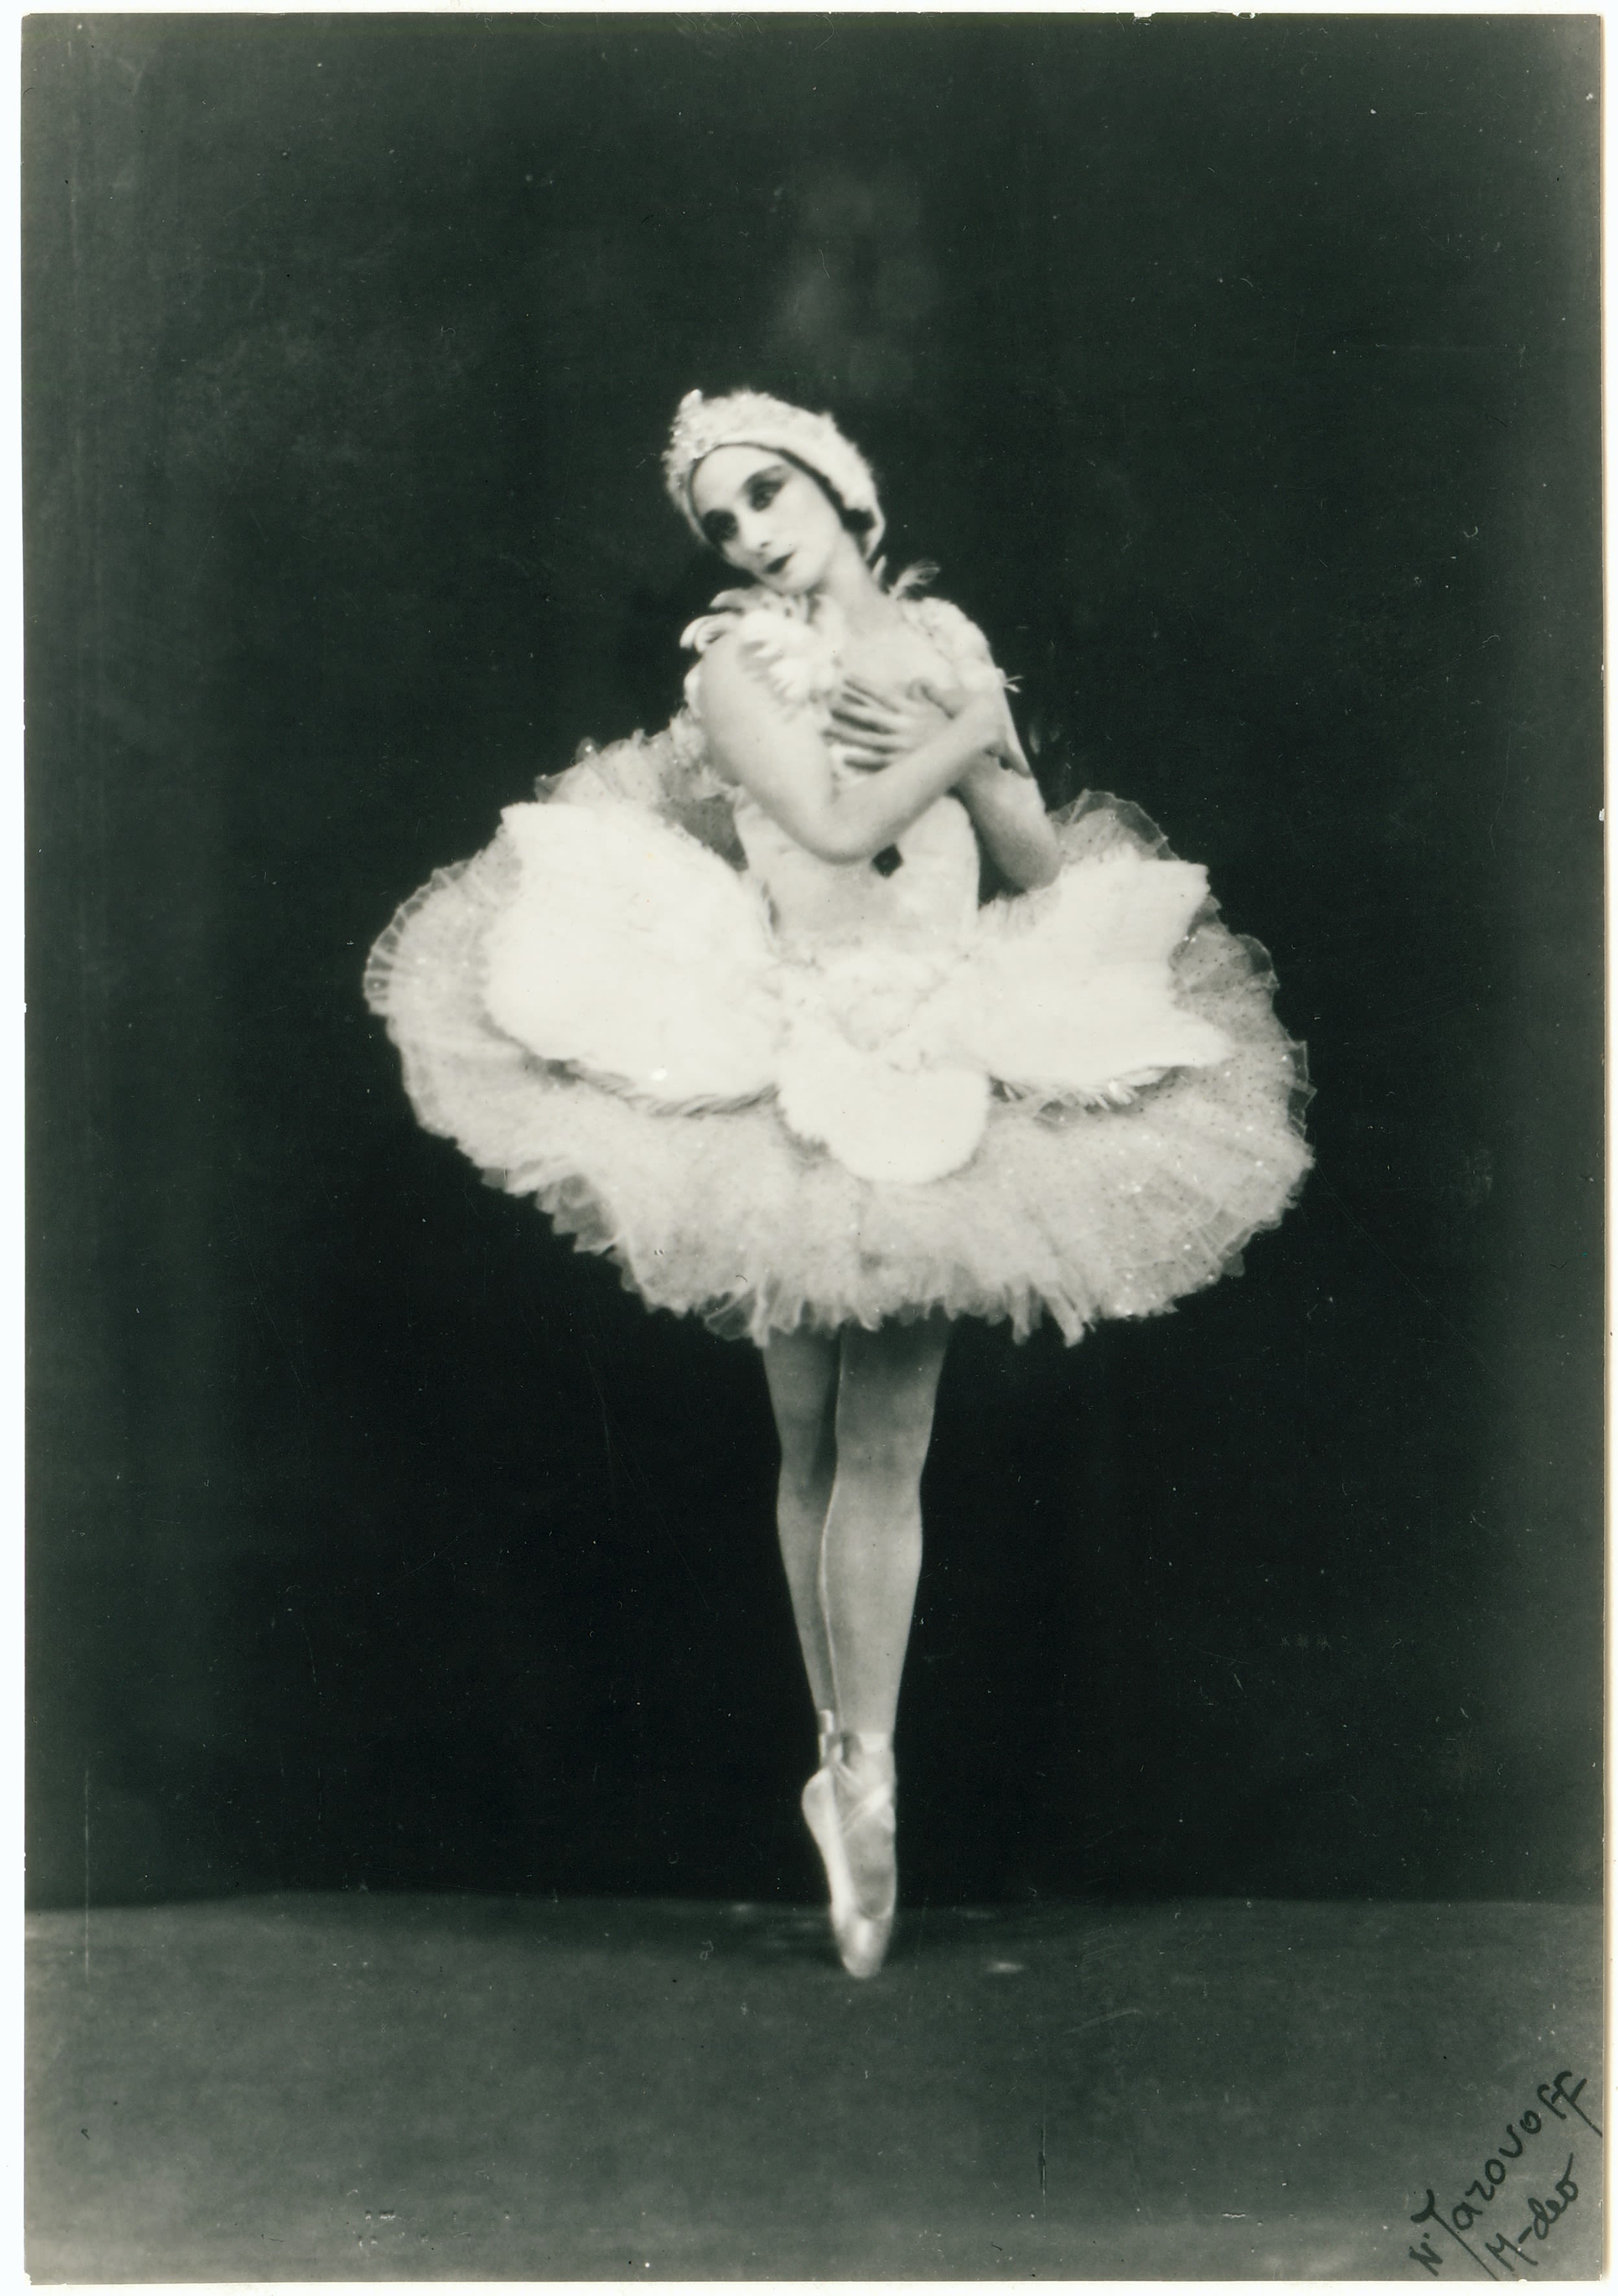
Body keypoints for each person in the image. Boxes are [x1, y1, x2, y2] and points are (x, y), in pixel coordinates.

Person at [364, 388, 1312, 1978]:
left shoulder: (944, 637)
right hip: (794, 1033)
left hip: (941, 1030)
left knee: (886, 1438)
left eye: (766, 492)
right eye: (719, 519)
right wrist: (960, 726)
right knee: (805, 1431)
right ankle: (842, 1754)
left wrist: (979, 737)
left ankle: (865, 1773)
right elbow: (832, 815)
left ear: (838, 488)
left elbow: (1033, 860)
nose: (746, 530)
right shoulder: (733, 667)